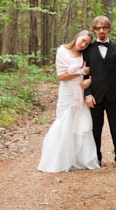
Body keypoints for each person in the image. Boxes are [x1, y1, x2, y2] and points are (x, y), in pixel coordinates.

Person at [37, 30, 100, 173]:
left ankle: (81, 159)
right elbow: (61, 76)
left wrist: (89, 79)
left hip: (81, 92)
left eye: (87, 43)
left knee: (81, 123)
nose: (83, 44)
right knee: (64, 121)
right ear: (77, 36)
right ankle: (58, 160)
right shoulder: (62, 51)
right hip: (67, 92)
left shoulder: (85, 54)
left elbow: (93, 71)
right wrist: (81, 72)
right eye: (82, 40)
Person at [83, 15, 116, 168]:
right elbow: (84, 74)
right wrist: (87, 94)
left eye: (104, 28)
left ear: (109, 29)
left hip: (114, 95)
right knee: (95, 129)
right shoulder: (88, 50)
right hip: (95, 96)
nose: (101, 31)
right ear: (94, 30)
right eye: (98, 28)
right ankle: (96, 158)